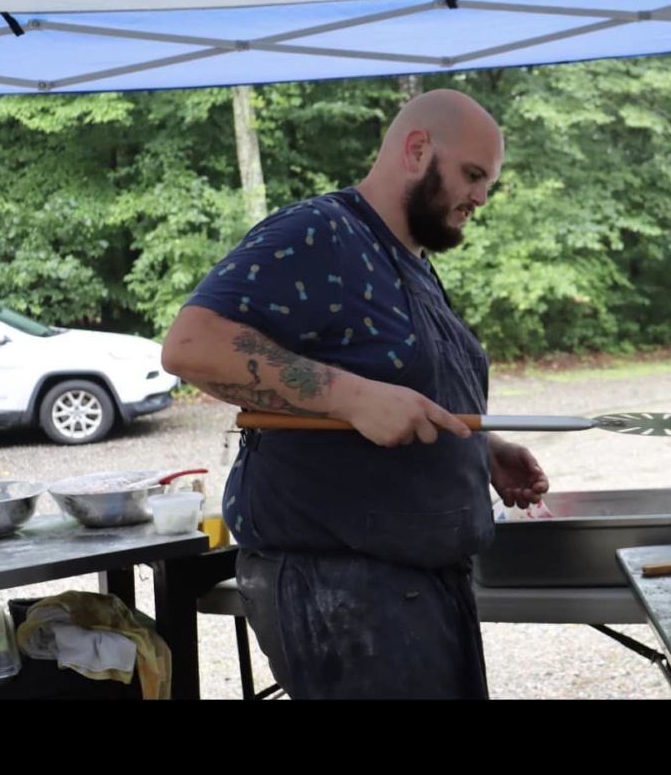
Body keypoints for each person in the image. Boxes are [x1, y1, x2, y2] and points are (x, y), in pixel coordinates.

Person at [160, 88, 549, 699]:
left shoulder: (411, 260)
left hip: (417, 586)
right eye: (473, 176)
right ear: (418, 149)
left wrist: (480, 445)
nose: (480, 197)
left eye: (487, 183)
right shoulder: (321, 232)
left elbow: (400, 382)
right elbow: (192, 346)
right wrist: (350, 397)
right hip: (340, 591)